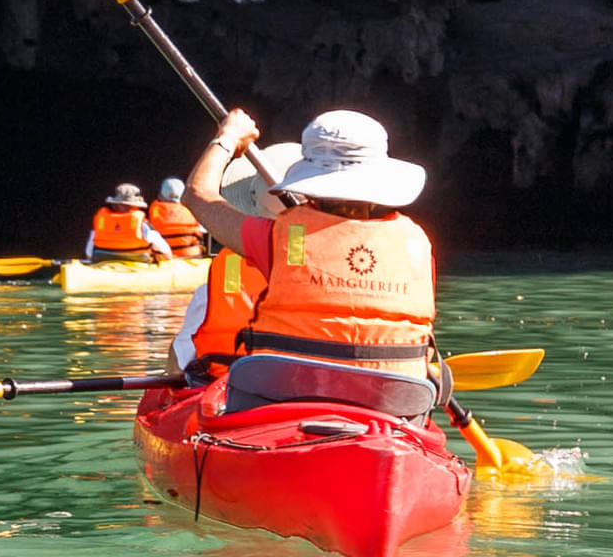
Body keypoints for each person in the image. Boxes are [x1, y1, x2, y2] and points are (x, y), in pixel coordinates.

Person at [169, 110, 432, 380]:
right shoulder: (417, 246)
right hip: (397, 399)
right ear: (378, 189)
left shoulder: (277, 240)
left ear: (308, 188)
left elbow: (198, 195)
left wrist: (228, 137)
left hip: (288, 393)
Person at [83, 182, 171, 262]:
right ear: (136, 206)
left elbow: (89, 254)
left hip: (106, 268)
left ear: (114, 205)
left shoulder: (101, 224)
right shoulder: (144, 226)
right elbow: (167, 254)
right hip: (137, 271)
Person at [147, 177, 207, 259]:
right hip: (192, 258)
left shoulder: (154, 208)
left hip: (164, 260)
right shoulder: (192, 208)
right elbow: (205, 229)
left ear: (161, 194)